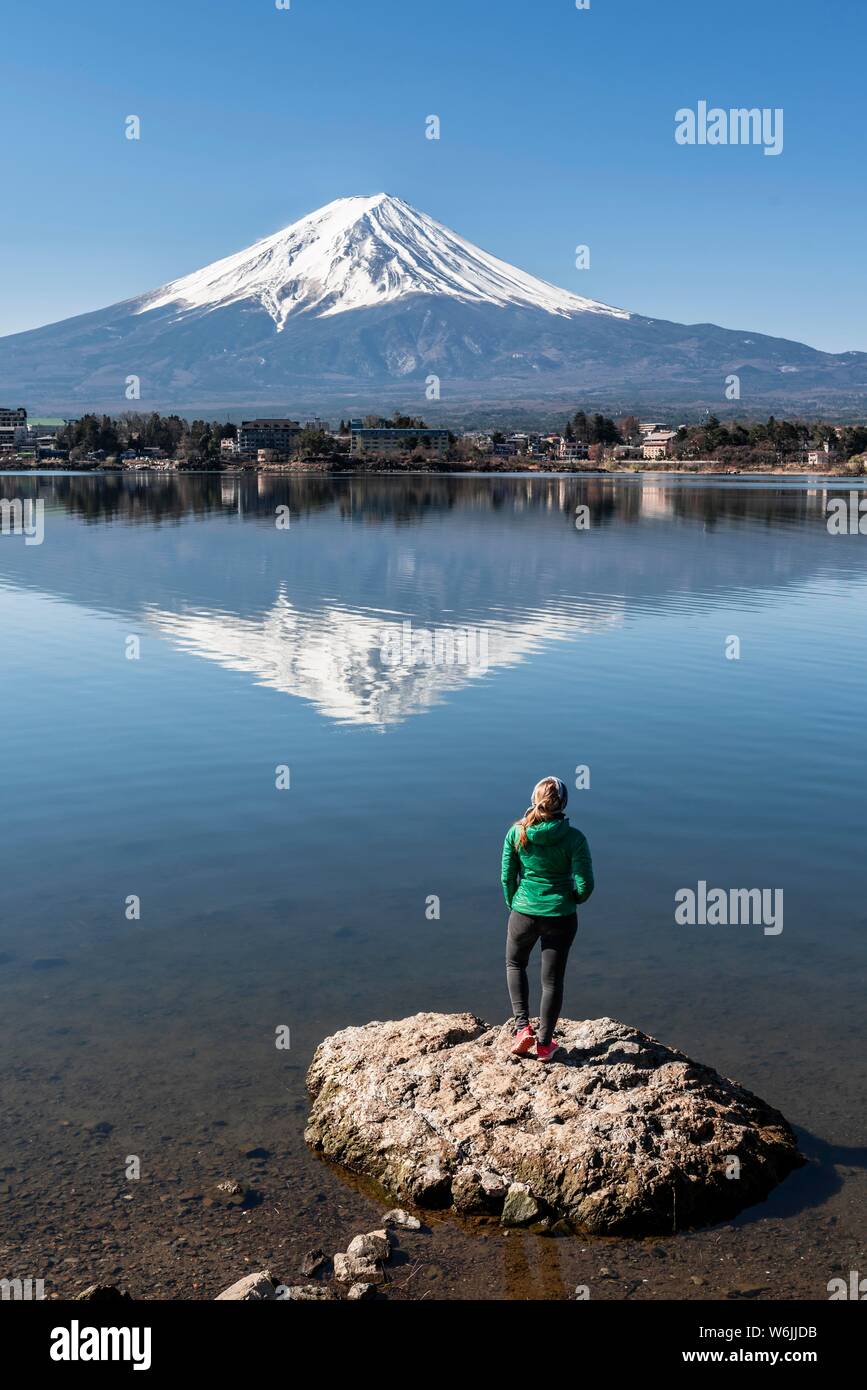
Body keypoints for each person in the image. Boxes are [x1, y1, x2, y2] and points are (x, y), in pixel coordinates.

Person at [501, 776, 594, 1061]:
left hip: (523, 912)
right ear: (563, 803)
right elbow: (585, 886)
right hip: (560, 916)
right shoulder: (575, 838)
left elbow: (507, 877)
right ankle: (544, 1044)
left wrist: (514, 903)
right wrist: (570, 900)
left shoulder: (517, 833)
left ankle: (522, 1029)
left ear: (534, 800)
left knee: (515, 964)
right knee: (552, 981)